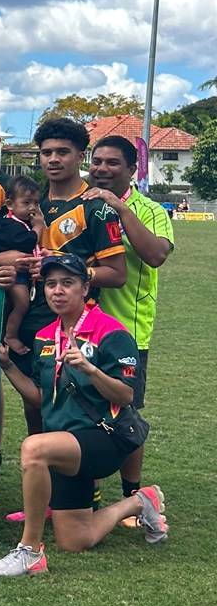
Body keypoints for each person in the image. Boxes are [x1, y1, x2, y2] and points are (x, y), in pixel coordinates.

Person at [0, 254, 167, 576]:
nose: (57, 291)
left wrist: (89, 368)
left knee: (34, 448)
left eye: (67, 283)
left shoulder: (111, 332)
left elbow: (126, 396)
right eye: (51, 284)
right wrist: (8, 365)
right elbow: (40, 399)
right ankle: (141, 502)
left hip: (105, 438)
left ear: (85, 288)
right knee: (75, 540)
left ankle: (29, 551)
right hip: (66, 445)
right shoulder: (44, 336)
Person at [0, 118, 126, 437]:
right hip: (30, 318)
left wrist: (60, 269)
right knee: (34, 402)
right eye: (46, 152)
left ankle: (80, 467)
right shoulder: (29, 204)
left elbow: (117, 273)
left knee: (74, 402)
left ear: (80, 156)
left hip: (74, 321)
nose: (53, 159)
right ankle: (40, 460)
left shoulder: (96, 207)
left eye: (62, 152)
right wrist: (10, 265)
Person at [84, 134, 174, 523]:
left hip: (127, 329)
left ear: (132, 168)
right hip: (78, 328)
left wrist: (119, 208)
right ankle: (84, 493)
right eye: (97, 161)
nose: (102, 169)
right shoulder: (80, 202)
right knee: (79, 410)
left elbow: (155, 255)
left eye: (112, 163)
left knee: (126, 413)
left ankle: (133, 497)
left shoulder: (150, 209)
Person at [0, 176, 45, 355]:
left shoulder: (23, 223)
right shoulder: (7, 224)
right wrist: (38, 228)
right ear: (10, 204)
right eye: (26, 203)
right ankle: (10, 336)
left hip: (25, 275)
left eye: (36, 203)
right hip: (12, 274)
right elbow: (26, 242)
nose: (33, 208)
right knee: (22, 303)